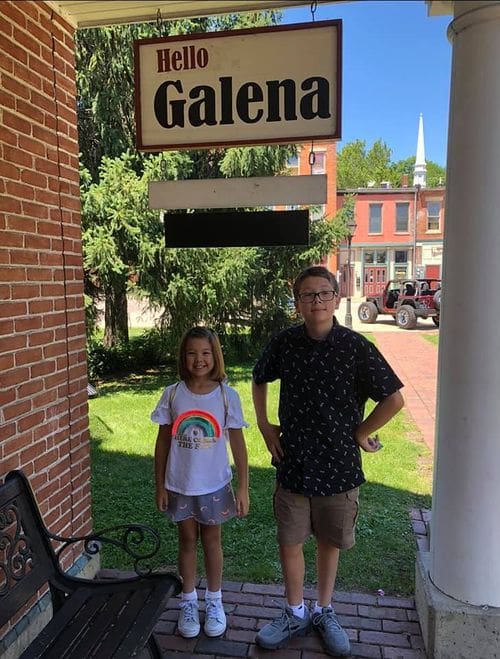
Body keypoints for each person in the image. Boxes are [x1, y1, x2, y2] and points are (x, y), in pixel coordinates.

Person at [252, 266, 404, 657]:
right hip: (294, 463)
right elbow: (259, 377)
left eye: (323, 293)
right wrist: (265, 425)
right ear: (297, 302)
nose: (316, 300)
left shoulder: (355, 347)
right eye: (307, 294)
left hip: (339, 467)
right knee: (290, 540)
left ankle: (323, 610)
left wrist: (359, 432)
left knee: (328, 543)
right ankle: (294, 611)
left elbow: (393, 398)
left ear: (336, 298)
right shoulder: (284, 343)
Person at [152, 326, 249, 639]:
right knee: (186, 541)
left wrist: (243, 487)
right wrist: (160, 484)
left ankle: (215, 600)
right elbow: (162, 443)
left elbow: (239, 445)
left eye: (206, 353)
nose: (199, 359)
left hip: (215, 485)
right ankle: (189, 601)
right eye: (192, 353)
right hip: (180, 484)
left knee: (212, 542)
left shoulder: (226, 396)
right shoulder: (173, 394)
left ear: (215, 356)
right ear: (184, 356)